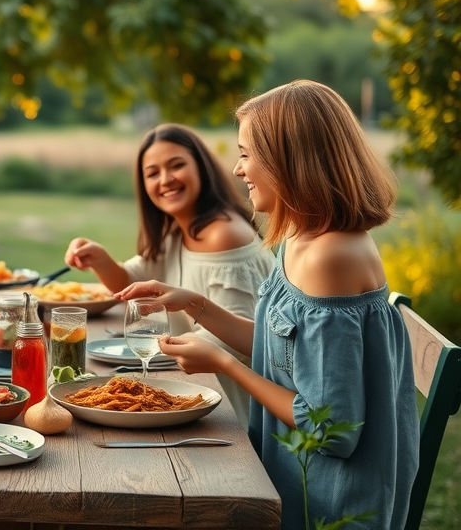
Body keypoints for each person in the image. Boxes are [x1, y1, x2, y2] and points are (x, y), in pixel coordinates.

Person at [118, 80, 419, 530]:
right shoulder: (300, 237)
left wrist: (225, 363)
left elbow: (329, 430)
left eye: (246, 153)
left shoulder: (329, 257)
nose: (238, 170)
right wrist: (196, 303)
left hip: (328, 502)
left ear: (288, 159)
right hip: (284, 474)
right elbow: (287, 351)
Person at [63, 123, 274, 427]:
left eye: (177, 166)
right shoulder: (178, 231)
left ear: (201, 168)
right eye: (152, 173)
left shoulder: (223, 234)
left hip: (233, 415)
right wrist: (99, 259)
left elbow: (235, 340)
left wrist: (158, 346)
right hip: (199, 397)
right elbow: (130, 283)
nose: (165, 180)